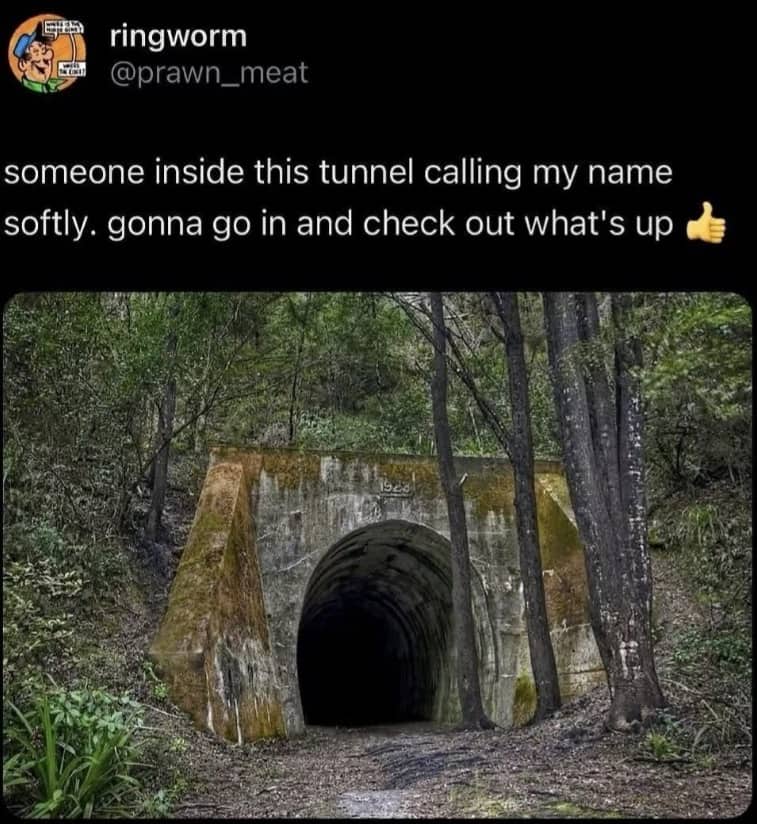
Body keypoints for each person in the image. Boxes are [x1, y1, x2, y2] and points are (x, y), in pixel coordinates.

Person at [13, 23, 63, 93]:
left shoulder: (53, 88)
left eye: (44, 49)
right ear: (23, 64)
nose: (45, 63)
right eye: (35, 51)